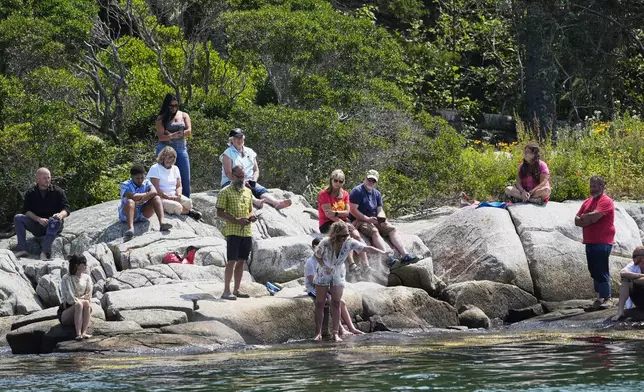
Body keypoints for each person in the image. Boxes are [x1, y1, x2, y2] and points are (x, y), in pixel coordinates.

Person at [313, 221, 386, 342]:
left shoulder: (349, 242)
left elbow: (365, 248)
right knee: (320, 303)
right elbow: (317, 255)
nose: (345, 238)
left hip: (338, 272)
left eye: (347, 235)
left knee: (336, 302)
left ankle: (336, 333)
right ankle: (318, 332)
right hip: (324, 272)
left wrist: (383, 252)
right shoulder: (325, 243)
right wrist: (323, 266)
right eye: (342, 236)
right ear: (335, 235)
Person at [349, 169, 418, 267]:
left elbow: (380, 209)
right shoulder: (357, 191)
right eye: (369, 179)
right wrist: (367, 219)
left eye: (374, 181)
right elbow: (353, 210)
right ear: (365, 178)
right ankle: (387, 257)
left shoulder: (376, 194)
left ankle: (405, 255)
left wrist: (382, 218)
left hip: (374, 218)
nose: (371, 182)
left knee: (392, 229)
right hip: (359, 220)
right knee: (374, 231)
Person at [304, 237, 365, 337]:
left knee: (341, 302)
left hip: (326, 286)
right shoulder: (310, 262)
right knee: (331, 300)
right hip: (314, 288)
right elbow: (312, 281)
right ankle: (340, 329)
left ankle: (352, 328)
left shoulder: (329, 260)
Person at [219, 128, 292, 210]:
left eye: (241, 137)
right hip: (231, 181)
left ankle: (276, 202)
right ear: (232, 140)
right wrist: (241, 181)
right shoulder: (228, 153)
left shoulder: (249, 151)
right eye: (236, 138)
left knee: (259, 189)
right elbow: (228, 173)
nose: (239, 140)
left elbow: (256, 170)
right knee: (242, 188)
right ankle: (255, 201)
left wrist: (253, 181)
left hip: (248, 180)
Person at [216, 165, 257, 300]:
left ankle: (237, 289)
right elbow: (219, 212)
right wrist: (235, 220)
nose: (241, 179)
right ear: (232, 176)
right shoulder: (225, 192)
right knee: (231, 261)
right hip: (233, 231)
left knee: (242, 261)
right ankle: (226, 291)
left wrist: (251, 216)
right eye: (238, 177)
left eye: (243, 177)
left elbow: (250, 209)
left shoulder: (248, 191)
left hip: (246, 231)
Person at [575, 175, 615, 309]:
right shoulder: (587, 202)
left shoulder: (606, 201)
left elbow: (595, 217)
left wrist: (586, 218)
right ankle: (600, 297)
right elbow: (576, 220)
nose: (592, 189)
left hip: (603, 241)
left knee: (601, 269)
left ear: (601, 187)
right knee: (593, 270)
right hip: (589, 241)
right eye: (591, 186)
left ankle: (607, 298)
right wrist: (586, 218)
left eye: (594, 186)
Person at [13, 167, 72, 260]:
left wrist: (60, 215)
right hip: (37, 225)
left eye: (49, 177)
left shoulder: (58, 191)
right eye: (44, 178)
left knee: (54, 221)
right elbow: (26, 211)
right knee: (18, 218)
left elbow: (67, 208)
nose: (47, 180)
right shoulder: (30, 193)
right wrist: (38, 219)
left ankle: (44, 252)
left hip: (53, 224)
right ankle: (22, 248)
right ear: (37, 179)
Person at [318, 169, 370, 273]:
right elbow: (328, 214)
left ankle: (366, 265)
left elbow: (347, 212)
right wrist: (343, 224)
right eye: (335, 180)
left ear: (343, 182)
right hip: (327, 223)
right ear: (331, 180)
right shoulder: (324, 194)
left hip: (343, 220)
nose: (338, 183)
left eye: (340, 181)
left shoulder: (345, 194)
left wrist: (336, 213)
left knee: (357, 235)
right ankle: (352, 264)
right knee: (346, 236)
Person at [147, 146, 202, 220]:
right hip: (160, 196)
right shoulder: (155, 168)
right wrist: (167, 197)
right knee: (177, 206)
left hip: (173, 195)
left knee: (188, 202)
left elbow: (179, 185)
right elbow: (155, 188)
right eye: (168, 158)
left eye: (172, 158)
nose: (170, 160)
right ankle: (189, 212)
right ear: (162, 157)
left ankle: (185, 209)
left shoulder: (175, 168)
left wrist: (178, 195)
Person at [119, 164, 172, 240]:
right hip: (129, 214)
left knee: (156, 198)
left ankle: (162, 223)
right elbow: (133, 196)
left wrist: (141, 200)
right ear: (131, 177)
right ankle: (131, 229)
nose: (140, 180)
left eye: (142, 177)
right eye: (137, 178)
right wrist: (147, 194)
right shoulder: (125, 185)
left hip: (143, 213)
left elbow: (154, 192)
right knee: (131, 202)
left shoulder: (146, 182)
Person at [155, 93, 192, 197]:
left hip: (181, 149)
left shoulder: (184, 115)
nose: (174, 108)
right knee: (164, 176)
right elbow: (161, 136)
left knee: (185, 176)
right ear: (167, 106)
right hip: (165, 149)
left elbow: (189, 131)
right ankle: (165, 199)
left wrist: (179, 134)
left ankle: (185, 201)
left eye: (176, 105)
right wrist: (172, 136)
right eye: (171, 106)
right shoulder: (161, 118)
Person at [59, 254, 93, 340]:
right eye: (84, 263)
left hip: (83, 307)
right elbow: (70, 299)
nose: (86, 265)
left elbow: (89, 295)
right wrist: (81, 300)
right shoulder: (66, 278)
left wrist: (82, 300)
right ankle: (78, 334)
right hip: (67, 311)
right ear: (77, 265)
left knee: (86, 303)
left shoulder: (87, 278)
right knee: (79, 304)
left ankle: (84, 333)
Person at [611, 246, 644, 321]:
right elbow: (623, 273)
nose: (633, 258)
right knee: (625, 280)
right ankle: (620, 311)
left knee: (629, 279)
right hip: (639, 299)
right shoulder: (633, 265)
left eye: (635, 256)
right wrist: (640, 275)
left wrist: (634, 279)